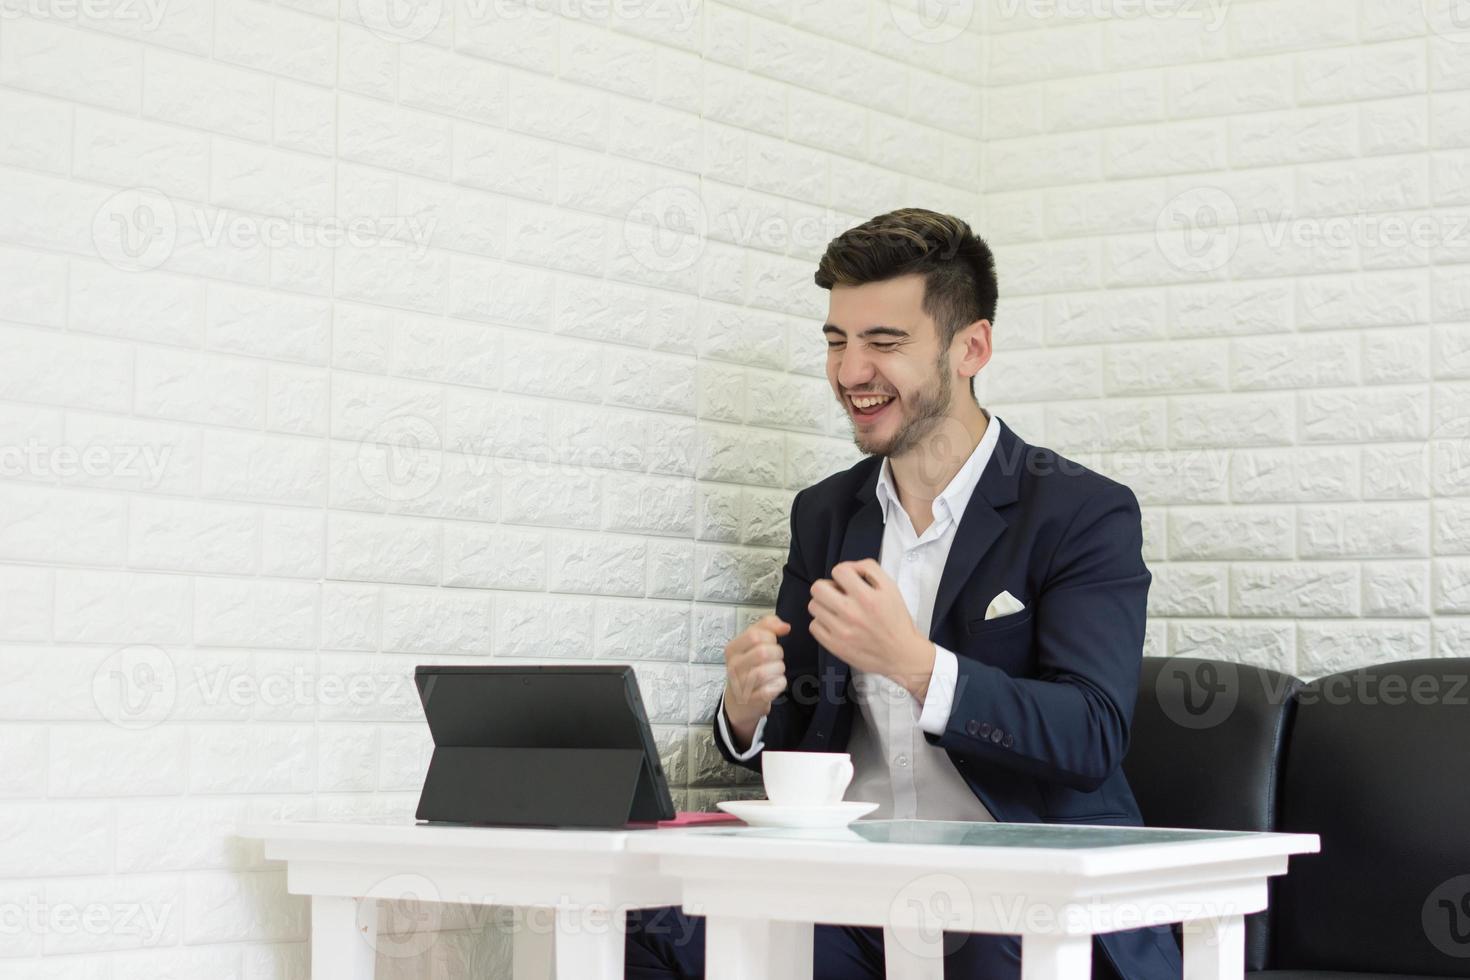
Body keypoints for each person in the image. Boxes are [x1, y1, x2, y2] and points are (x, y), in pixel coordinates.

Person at [625, 208, 1181, 980]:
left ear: (970, 348)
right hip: (854, 893)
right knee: (661, 933)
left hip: (1021, 889)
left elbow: (1090, 734)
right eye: (836, 341)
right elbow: (802, 737)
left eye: (884, 343)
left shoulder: (1080, 511)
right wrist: (746, 712)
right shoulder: (825, 513)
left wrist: (918, 666)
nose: (852, 372)